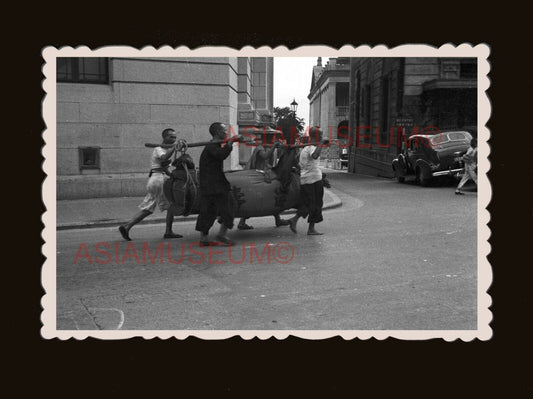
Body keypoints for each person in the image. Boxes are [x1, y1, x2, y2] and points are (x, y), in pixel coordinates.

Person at [119, 128, 183, 240]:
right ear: (164, 137)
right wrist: (174, 147)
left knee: (149, 208)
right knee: (171, 206)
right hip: (158, 180)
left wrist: (172, 175)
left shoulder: (166, 149)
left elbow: (164, 167)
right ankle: (168, 231)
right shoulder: (158, 149)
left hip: (157, 179)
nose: (173, 139)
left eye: (175, 137)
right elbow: (164, 158)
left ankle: (127, 226)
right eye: (171, 137)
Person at [195, 122, 242, 246]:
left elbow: (220, 153)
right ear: (217, 132)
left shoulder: (213, 145)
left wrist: (229, 143)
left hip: (211, 183)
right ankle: (220, 235)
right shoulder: (211, 146)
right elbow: (221, 155)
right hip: (214, 184)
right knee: (229, 205)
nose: (226, 133)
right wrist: (231, 142)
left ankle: (204, 238)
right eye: (224, 130)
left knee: (208, 210)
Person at [237, 137, 290, 230]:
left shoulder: (269, 148)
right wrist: (274, 147)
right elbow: (265, 156)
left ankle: (277, 219)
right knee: (252, 199)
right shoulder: (260, 148)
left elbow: (271, 162)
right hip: (255, 175)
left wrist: (281, 148)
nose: (273, 140)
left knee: (274, 194)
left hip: (264, 174)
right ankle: (242, 222)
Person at [287, 127, 328, 235]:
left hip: (306, 179)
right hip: (313, 180)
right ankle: (311, 229)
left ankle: (294, 219)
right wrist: (321, 144)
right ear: (317, 136)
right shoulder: (311, 148)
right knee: (316, 204)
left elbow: (298, 162)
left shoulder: (305, 148)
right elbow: (315, 156)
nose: (321, 137)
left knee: (308, 203)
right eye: (321, 136)